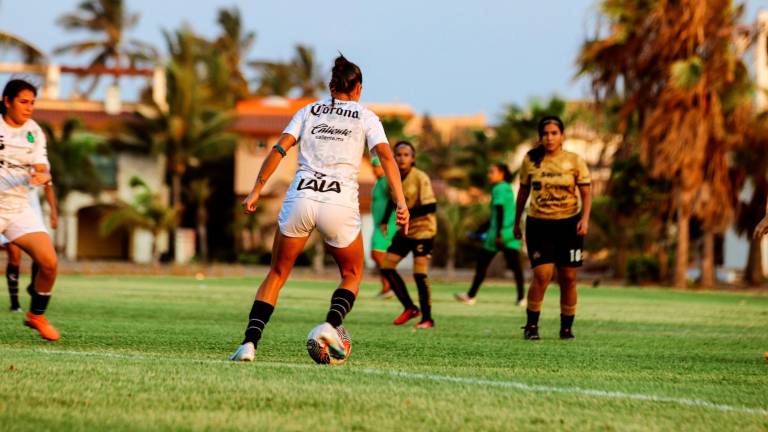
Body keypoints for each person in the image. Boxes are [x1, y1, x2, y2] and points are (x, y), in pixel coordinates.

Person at [229, 55, 409, 362]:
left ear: (331, 85)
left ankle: (249, 344)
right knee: (352, 272)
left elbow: (279, 149)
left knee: (277, 273)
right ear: (359, 88)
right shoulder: (366, 117)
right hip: (339, 202)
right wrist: (401, 202)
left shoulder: (308, 111)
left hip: (301, 196)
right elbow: (387, 158)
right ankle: (331, 324)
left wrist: (257, 189)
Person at [513, 115, 591, 340]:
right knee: (542, 274)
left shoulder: (574, 161)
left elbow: (586, 192)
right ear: (540, 137)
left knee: (568, 278)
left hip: (569, 224)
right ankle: (531, 326)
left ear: (562, 136)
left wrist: (584, 220)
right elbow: (523, 192)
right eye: (545, 133)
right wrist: (517, 221)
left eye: (554, 133)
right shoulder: (531, 160)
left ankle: (566, 328)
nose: (549, 138)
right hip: (539, 224)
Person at [0, 78, 60, 340]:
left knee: (49, 262)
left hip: (17, 208)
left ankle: (36, 315)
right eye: (23, 102)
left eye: (32, 103)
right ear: (7, 101)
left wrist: (43, 176)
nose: (29, 108)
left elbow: (42, 168)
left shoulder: (34, 131)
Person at [380, 141, 438, 328]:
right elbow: (393, 200)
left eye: (406, 154)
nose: (402, 158)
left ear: (413, 158)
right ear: (394, 157)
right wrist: (384, 220)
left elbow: (431, 206)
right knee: (387, 267)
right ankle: (410, 308)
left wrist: (406, 213)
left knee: (419, 274)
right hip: (405, 232)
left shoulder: (421, 177)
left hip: (423, 231)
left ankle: (427, 318)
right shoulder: (393, 177)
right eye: (398, 154)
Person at [455, 163, 525, 306]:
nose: (489, 175)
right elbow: (495, 215)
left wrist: (498, 234)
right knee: (516, 267)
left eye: (492, 172)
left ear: (502, 174)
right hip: (510, 234)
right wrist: (479, 231)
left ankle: (471, 296)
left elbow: (499, 211)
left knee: (482, 265)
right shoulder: (508, 189)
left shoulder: (499, 188)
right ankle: (521, 298)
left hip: (498, 235)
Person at [4, 184, 58, 312]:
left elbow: (48, 186)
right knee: (14, 256)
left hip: (32, 215)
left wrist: (53, 212)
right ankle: (15, 303)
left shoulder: (37, 164)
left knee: (42, 257)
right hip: (8, 212)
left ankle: (34, 286)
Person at [370, 156, 397, 298]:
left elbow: (394, 199)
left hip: (386, 225)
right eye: (373, 166)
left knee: (377, 254)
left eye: (377, 166)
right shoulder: (379, 182)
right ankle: (387, 287)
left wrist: (385, 221)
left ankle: (391, 285)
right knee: (379, 255)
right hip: (378, 224)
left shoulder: (386, 180)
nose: (374, 169)